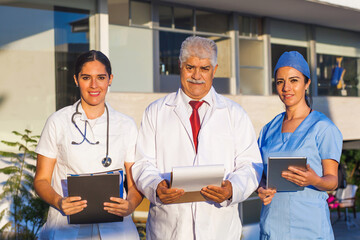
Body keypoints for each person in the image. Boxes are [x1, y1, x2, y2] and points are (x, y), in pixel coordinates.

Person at [131, 36, 263, 239]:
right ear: (179, 66)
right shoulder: (155, 112)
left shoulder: (234, 114)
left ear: (215, 70)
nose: (196, 75)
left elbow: (250, 164)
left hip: (220, 230)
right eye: (190, 67)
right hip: (169, 229)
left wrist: (232, 189)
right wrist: (156, 187)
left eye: (204, 68)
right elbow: (142, 164)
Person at [34, 50, 142, 239]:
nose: (94, 85)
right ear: (76, 80)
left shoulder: (126, 125)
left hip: (115, 230)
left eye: (101, 77)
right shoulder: (58, 122)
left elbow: (135, 185)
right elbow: (41, 180)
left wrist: (131, 205)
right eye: (86, 77)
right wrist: (59, 202)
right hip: (66, 229)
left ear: (110, 79)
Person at [257, 51, 343, 239]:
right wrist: (261, 187)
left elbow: (332, 180)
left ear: (307, 83)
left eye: (294, 80)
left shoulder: (323, 128)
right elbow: (260, 175)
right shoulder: (268, 130)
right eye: (280, 82)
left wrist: (315, 180)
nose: (286, 88)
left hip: (309, 228)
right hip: (273, 226)